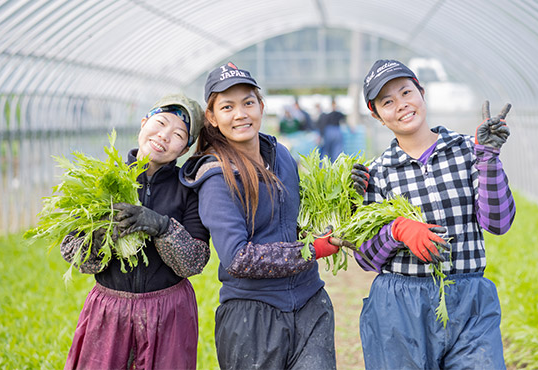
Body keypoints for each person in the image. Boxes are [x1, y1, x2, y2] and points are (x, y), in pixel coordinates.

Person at [352, 59, 516, 369]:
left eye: (405, 92)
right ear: (377, 115)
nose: (401, 105)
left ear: (421, 93)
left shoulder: (470, 150)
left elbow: (498, 223)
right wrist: (395, 231)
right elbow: (365, 258)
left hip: (469, 301)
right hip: (400, 308)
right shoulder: (377, 174)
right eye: (387, 102)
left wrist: (488, 159)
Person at [180, 62, 342, 370]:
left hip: (310, 304)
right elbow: (238, 258)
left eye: (248, 103)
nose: (241, 114)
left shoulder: (280, 154)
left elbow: (301, 217)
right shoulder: (216, 176)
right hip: (253, 318)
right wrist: (310, 249)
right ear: (212, 118)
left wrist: (346, 190)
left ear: (262, 106)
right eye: (227, 107)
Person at [60, 94, 210, 369]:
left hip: (169, 313)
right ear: (144, 123)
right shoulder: (101, 179)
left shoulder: (189, 190)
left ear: (184, 149)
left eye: (178, 134)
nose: (164, 136)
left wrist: (161, 227)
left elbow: (195, 261)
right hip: (109, 311)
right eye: (160, 122)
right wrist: (102, 235)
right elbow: (72, 251)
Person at [318, 97, 345, 162]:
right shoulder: (328, 112)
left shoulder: (333, 113)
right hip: (331, 131)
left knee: (333, 151)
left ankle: (332, 165)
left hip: (331, 131)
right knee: (329, 151)